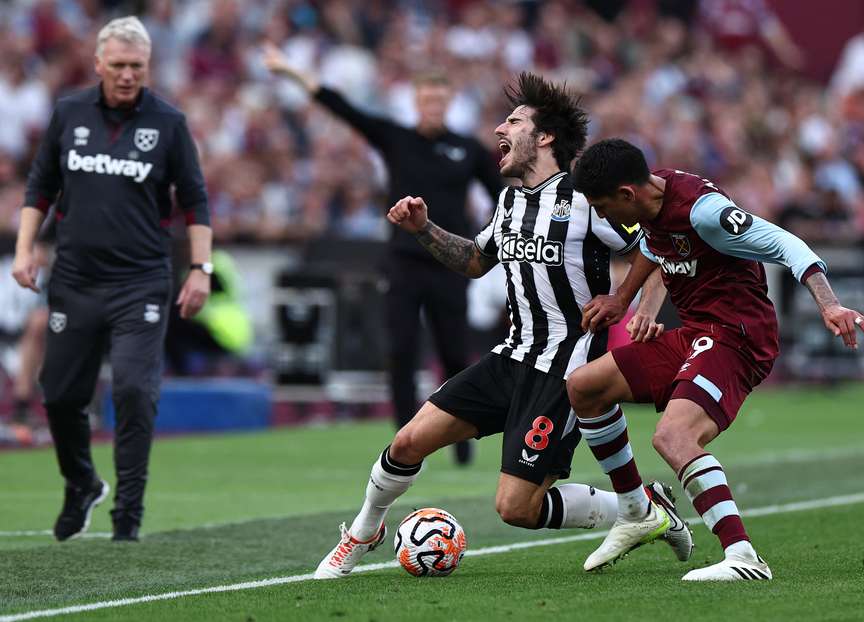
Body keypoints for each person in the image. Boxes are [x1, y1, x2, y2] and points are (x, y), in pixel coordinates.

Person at [312, 73, 693, 580]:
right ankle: (362, 532)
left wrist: (639, 303)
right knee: (405, 444)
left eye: (513, 121)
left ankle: (644, 509)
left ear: (544, 138)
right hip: (510, 356)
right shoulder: (511, 200)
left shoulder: (587, 199)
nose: (498, 128)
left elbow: (659, 243)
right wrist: (423, 229)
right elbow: (476, 260)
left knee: (516, 508)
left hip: (565, 369)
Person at [567, 138, 864, 580]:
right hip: (697, 334)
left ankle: (743, 556)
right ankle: (637, 512)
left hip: (736, 337)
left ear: (626, 195)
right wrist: (624, 300)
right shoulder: (656, 199)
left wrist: (829, 304)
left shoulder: (704, 211)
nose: (601, 215)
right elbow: (655, 248)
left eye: (601, 206)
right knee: (584, 387)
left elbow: (788, 243)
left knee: (673, 437)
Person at [11, 16, 212, 542]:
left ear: (149, 68)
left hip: (140, 283)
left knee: (133, 391)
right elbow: (39, 187)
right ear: (98, 64)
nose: (127, 75)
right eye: (118, 65)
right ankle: (82, 483)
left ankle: (128, 515)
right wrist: (24, 248)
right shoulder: (69, 113)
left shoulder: (168, 123)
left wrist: (200, 269)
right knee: (57, 395)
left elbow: (195, 202)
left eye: (137, 67)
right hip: (74, 280)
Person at [263, 44, 504, 465]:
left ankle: (460, 441)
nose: (432, 107)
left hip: (450, 265)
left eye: (440, 100)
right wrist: (290, 71)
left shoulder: (467, 149)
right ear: (416, 102)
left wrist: (485, 241)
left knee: (453, 353)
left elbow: (502, 196)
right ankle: (403, 445)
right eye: (426, 100)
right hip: (403, 262)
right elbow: (343, 108)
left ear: (449, 104)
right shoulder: (397, 139)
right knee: (401, 351)